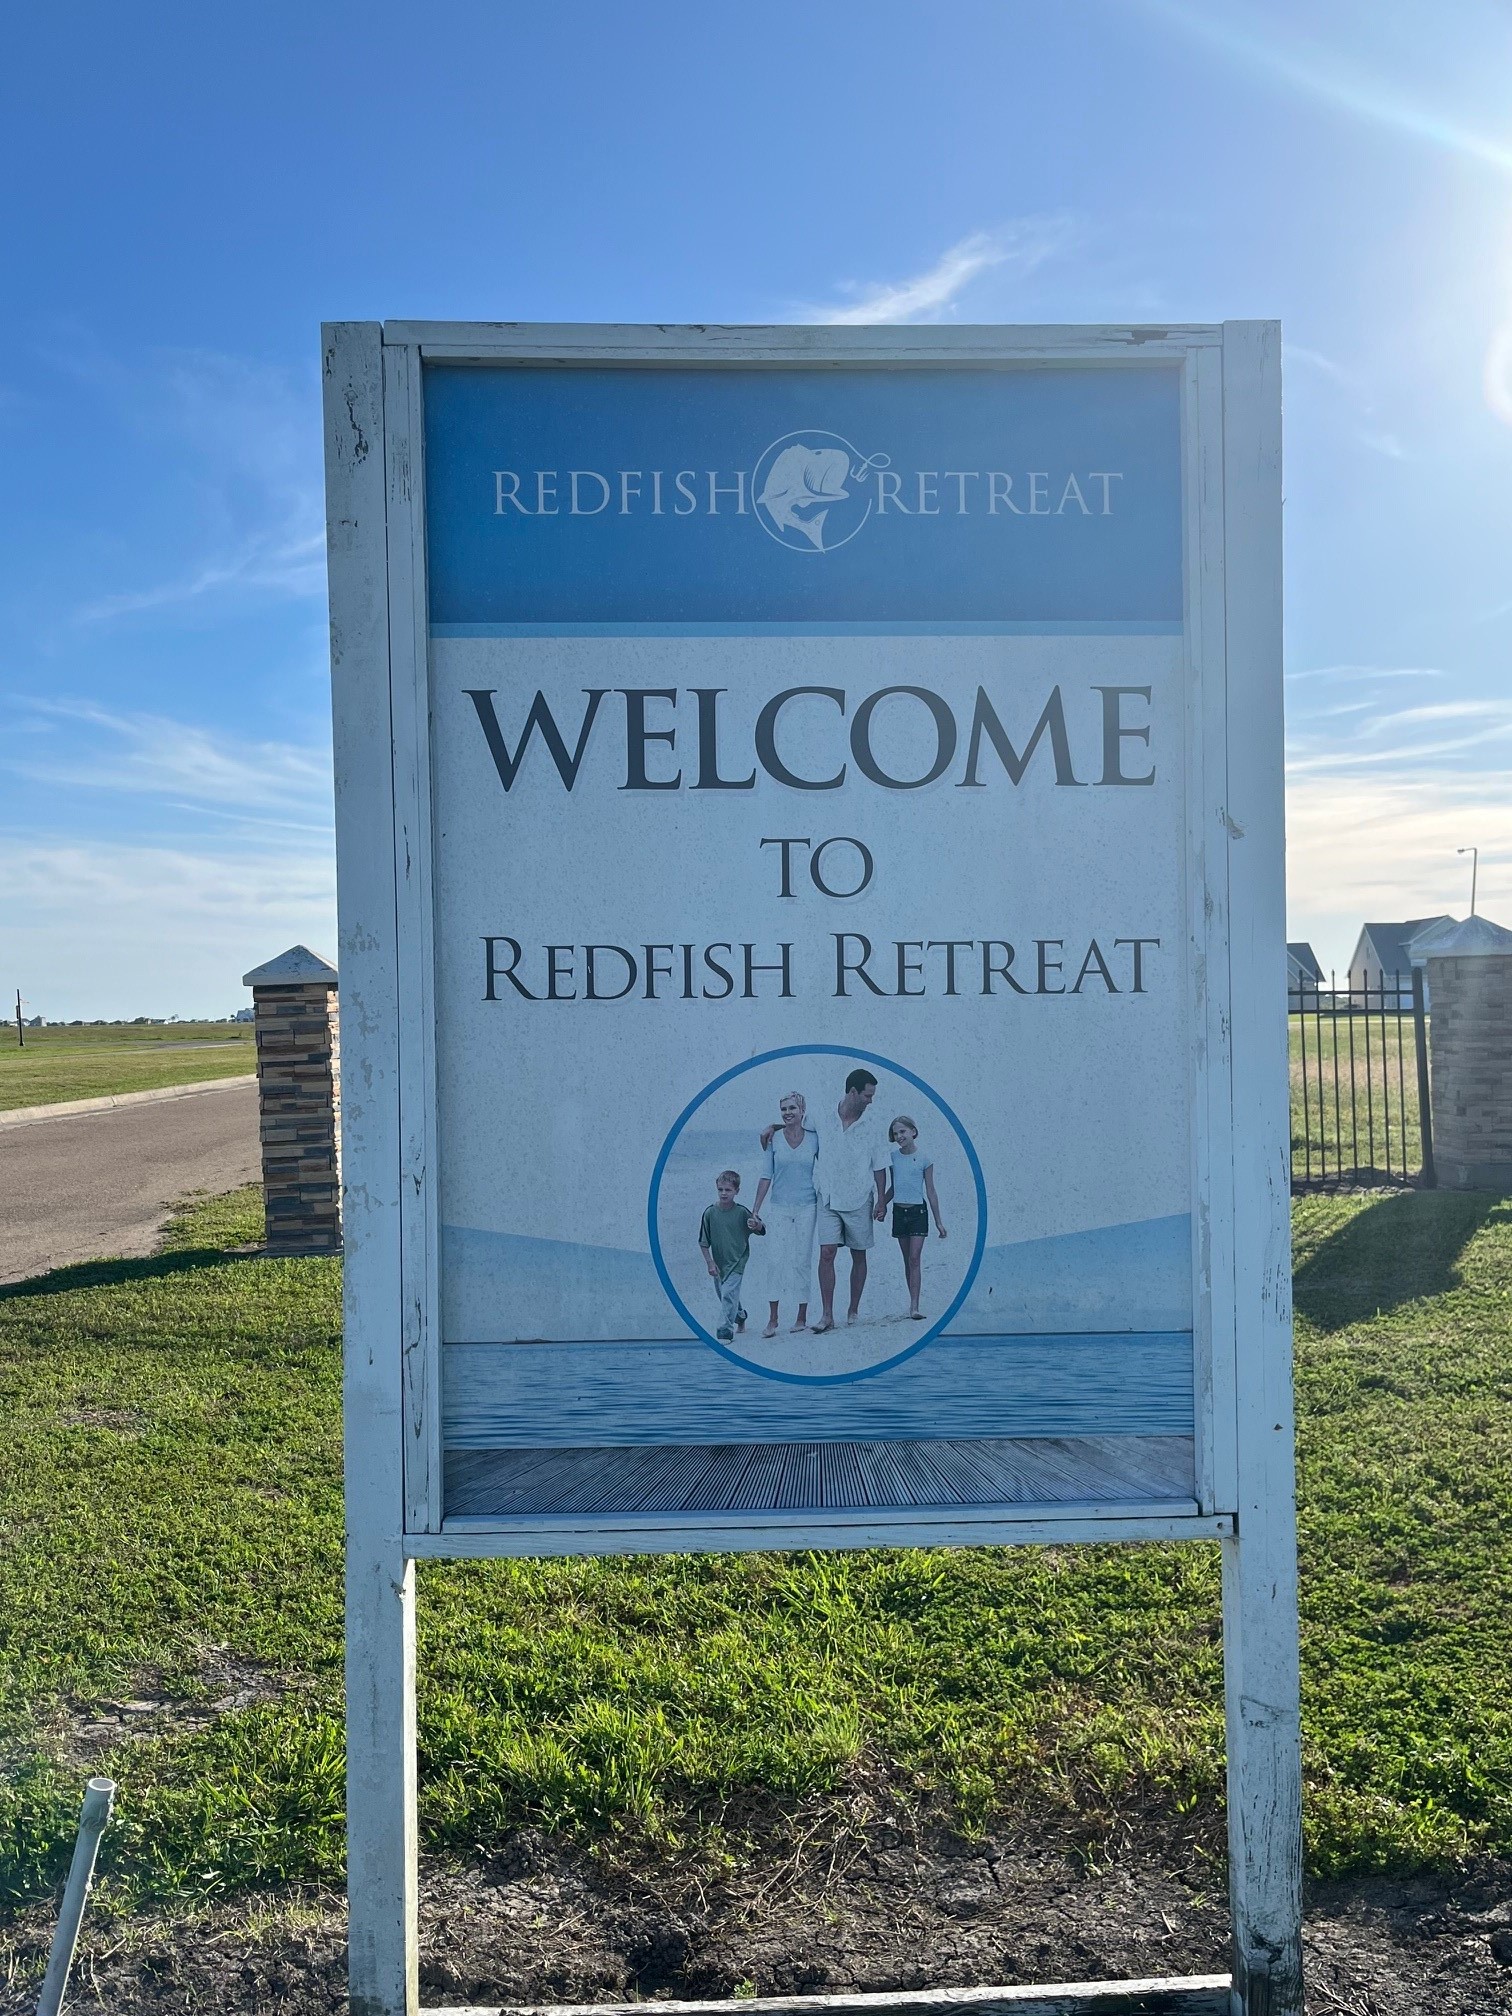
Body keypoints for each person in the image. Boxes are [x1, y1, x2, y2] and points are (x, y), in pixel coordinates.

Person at [768, 1067, 887, 1333]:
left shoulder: (873, 1125)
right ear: (853, 1092)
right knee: (827, 1253)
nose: (871, 1100)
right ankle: (827, 1316)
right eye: (868, 1095)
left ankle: (853, 1310)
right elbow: (795, 1123)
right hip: (828, 1197)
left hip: (859, 1198)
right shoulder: (821, 1115)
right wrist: (773, 1127)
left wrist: (881, 1201)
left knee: (859, 1255)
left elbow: (880, 1166)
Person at [749, 1091, 818, 1337]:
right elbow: (766, 1175)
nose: (787, 1113)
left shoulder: (814, 1138)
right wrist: (756, 1208)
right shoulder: (773, 1139)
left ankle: (801, 1317)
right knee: (775, 1261)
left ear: (802, 1110)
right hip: (779, 1207)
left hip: (808, 1206)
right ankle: (773, 1319)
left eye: (792, 1108)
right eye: (783, 1109)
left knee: (802, 1261)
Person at [885, 1115, 946, 1320]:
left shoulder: (924, 1159)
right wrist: (880, 1204)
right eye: (896, 1133)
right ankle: (911, 1299)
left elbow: (931, 1191)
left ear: (913, 1131)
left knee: (914, 1258)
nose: (899, 1136)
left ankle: (915, 1306)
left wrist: (938, 1222)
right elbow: (893, 1188)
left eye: (902, 1131)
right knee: (906, 1260)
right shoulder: (892, 1158)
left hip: (918, 1212)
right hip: (898, 1212)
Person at [698, 1169, 761, 1343]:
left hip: (738, 1260)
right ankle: (740, 1316)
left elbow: (761, 1229)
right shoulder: (710, 1213)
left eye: (728, 1190)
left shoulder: (742, 1212)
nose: (724, 1193)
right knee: (725, 1295)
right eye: (720, 1189)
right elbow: (703, 1243)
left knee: (728, 1294)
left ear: (736, 1191)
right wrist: (710, 1263)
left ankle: (724, 1330)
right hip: (718, 1264)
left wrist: (756, 1224)